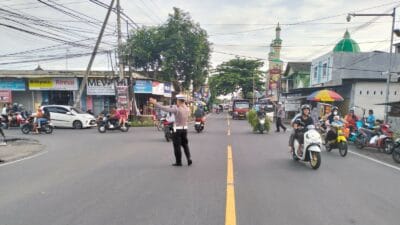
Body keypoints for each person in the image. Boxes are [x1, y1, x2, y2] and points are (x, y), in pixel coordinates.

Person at [149, 94, 192, 166]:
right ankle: (189, 159)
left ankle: (179, 162)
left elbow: (165, 108)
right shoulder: (187, 109)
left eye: (177, 100)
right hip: (185, 129)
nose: (176, 102)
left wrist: (155, 103)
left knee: (177, 146)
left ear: (179, 101)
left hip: (177, 130)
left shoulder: (177, 109)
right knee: (185, 145)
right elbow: (170, 107)